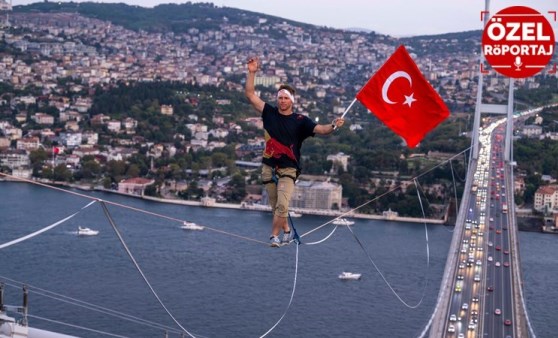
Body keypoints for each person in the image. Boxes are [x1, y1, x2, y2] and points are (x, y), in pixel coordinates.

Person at [245, 57, 345, 247]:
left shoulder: (301, 120)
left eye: (285, 98)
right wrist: (252, 72)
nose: (282, 101)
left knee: (282, 206)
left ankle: (273, 236)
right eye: (280, 98)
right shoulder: (269, 112)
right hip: (269, 167)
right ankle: (287, 231)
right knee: (276, 207)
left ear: (291, 100)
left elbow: (322, 130)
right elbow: (250, 94)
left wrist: (333, 124)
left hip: (289, 169)